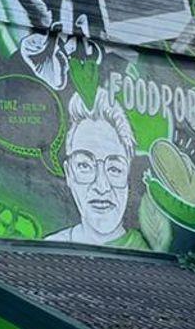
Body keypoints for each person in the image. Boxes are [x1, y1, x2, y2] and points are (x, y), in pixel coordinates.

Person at [47, 87, 142, 247]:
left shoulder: (146, 250)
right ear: (69, 174)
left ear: (128, 176)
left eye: (114, 169)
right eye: (85, 166)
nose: (102, 187)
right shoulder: (51, 246)